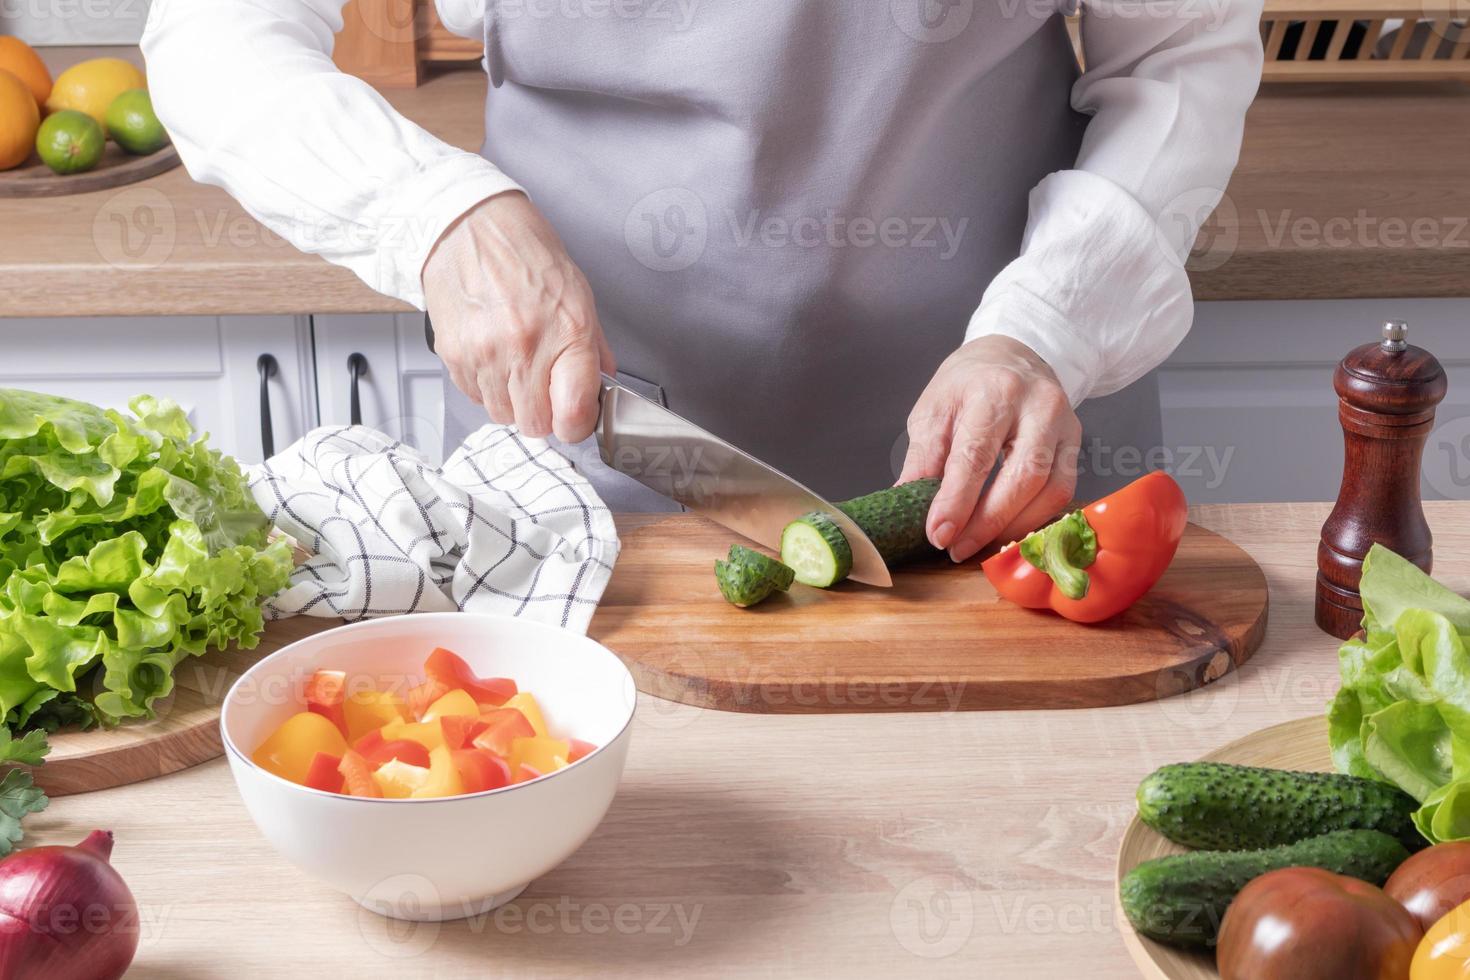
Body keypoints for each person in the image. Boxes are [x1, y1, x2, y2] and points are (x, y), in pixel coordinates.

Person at [143, 0, 1263, 561]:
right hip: (584, 458)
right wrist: (436, 216)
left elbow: (1179, 55)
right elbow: (213, 34)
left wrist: (1048, 327)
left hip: (1009, 446)